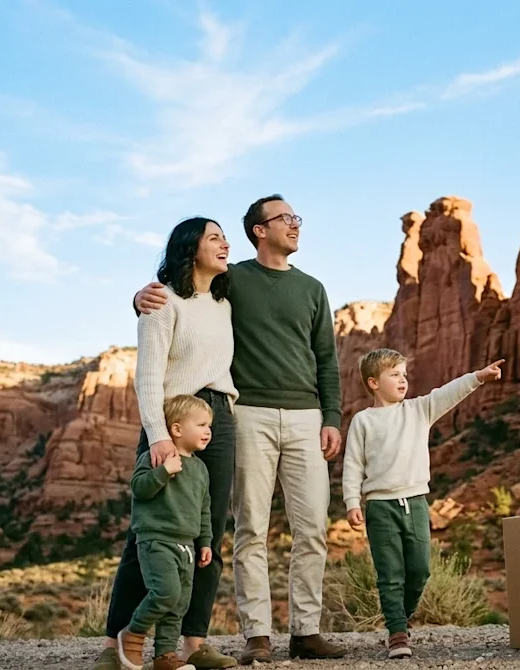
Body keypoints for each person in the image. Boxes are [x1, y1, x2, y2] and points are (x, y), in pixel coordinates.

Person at [133, 195, 347, 664]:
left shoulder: (313, 289)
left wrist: (332, 417)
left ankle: (306, 632)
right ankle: (258, 636)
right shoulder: (234, 280)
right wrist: (137, 298)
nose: (295, 224)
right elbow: (181, 292)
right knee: (251, 526)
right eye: (285, 218)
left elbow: (327, 361)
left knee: (312, 527)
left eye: (297, 217)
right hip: (245, 413)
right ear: (259, 230)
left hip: (306, 418)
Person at [94, 217, 239, 670]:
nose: (225, 243)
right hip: (172, 420)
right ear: (189, 248)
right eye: (214, 237)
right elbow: (149, 375)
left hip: (217, 418)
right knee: (149, 533)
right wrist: (158, 437)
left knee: (210, 532)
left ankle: (189, 643)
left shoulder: (225, 300)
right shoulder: (161, 300)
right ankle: (113, 645)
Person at [343, 349, 504, 659]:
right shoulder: (363, 421)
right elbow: (353, 465)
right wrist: (352, 502)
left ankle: (400, 618)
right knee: (390, 574)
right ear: (373, 382)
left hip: (416, 502)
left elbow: (448, 393)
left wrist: (479, 377)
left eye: (404, 374)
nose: (403, 380)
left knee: (419, 570)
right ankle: (398, 633)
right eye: (395, 375)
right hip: (380, 507)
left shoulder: (418, 410)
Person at [117, 395, 216, 670]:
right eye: (202, 424)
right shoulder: (155, 456)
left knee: (179, 605)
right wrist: (164, 471)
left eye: (210, 425)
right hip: (156, 540)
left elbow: (204, 508)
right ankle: (132, 634)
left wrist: (205, 542)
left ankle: (165, 656)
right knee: (166, 592)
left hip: (187, 545)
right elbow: (139, 489)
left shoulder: (200, 468)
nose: (208, 431)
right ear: (176, 429)